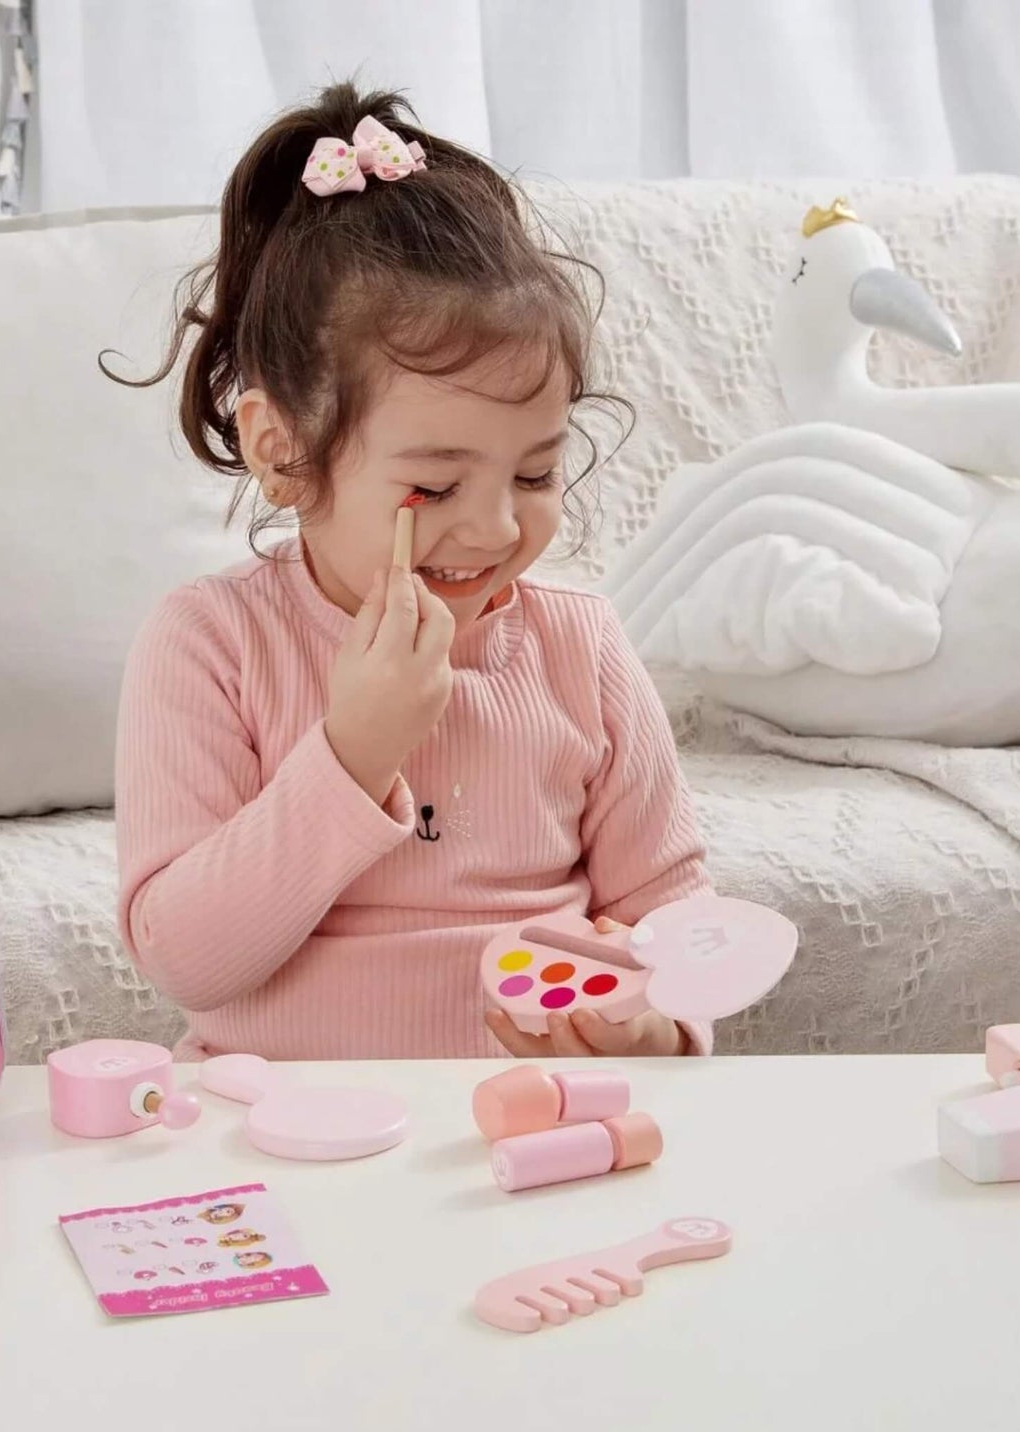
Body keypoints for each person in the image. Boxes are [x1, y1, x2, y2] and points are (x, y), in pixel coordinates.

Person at [112, 82, 712, 1062]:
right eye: (433, 486)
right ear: (282, 451)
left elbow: (672, 909)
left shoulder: (577, 645)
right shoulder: (209, 644)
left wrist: (656, 1024)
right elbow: (183, 957)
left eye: (534, 471)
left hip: (526, 1132)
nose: (494, 524)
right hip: (275, 1134)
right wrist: (354, 749)